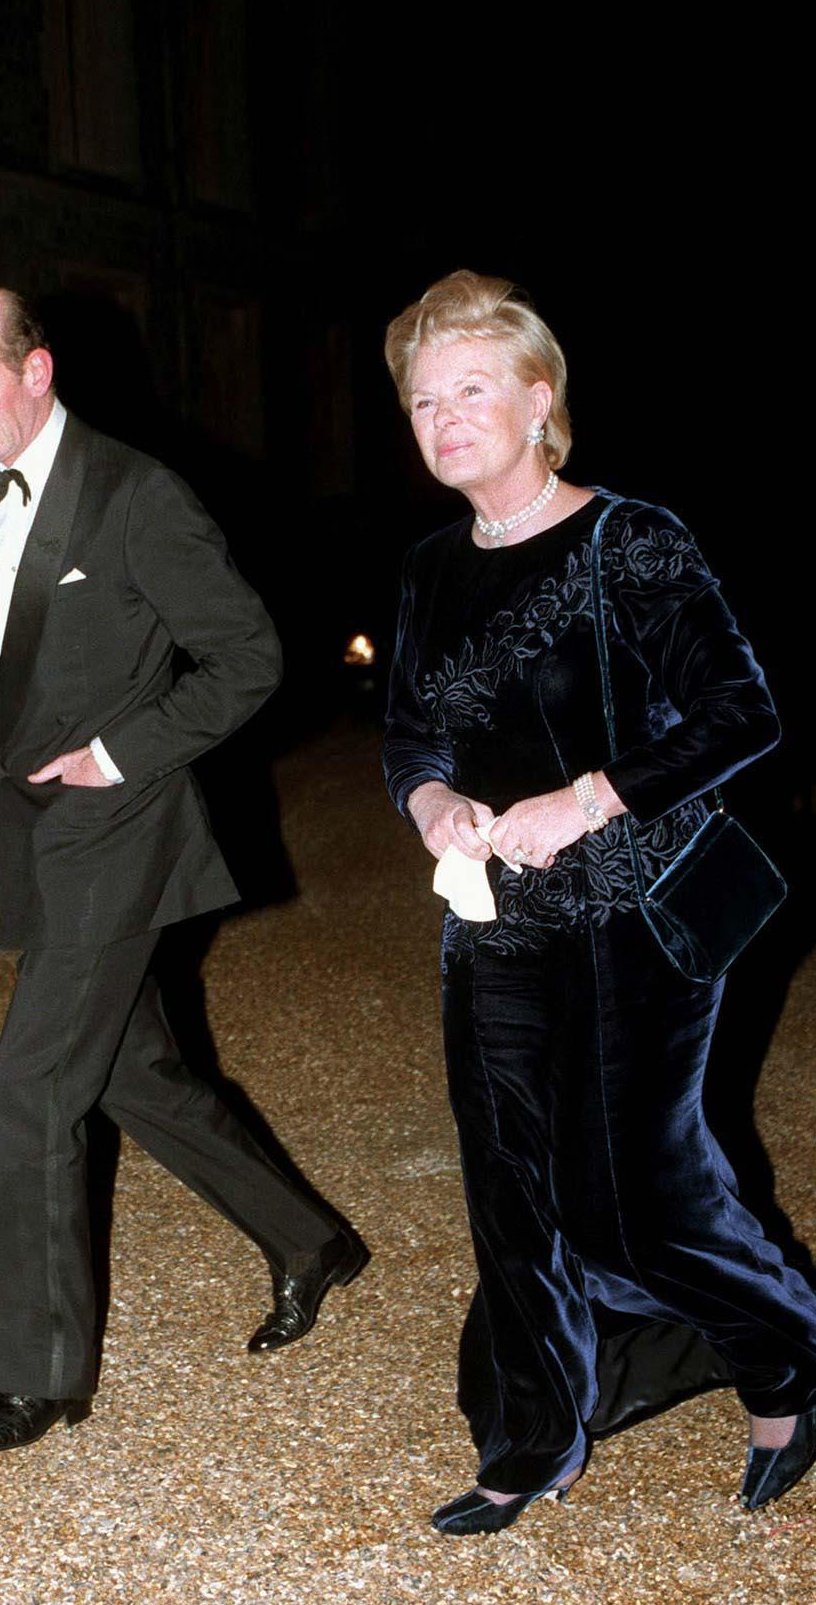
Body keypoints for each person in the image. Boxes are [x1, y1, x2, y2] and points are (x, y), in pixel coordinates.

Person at [382, 270, 816, 1534]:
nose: (447, 416)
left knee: (638, 1195)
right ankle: (531, 1443)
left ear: (538, 400)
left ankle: (790, 1354)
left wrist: (588, 798)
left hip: (636, 915)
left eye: (473, 390)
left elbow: (746, 713)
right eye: (424, 400)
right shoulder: (425, 569)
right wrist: (431, 808)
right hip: (492, 923)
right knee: (509, 1186)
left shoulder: (630, 538)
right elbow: (409, 737)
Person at [0, 284, 366, 1454]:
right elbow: (22, 653)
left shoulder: (136, 495)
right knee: (132, 1078)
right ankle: (311, 1240)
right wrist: (1, 736)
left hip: (123, 836)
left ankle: (41, 1375)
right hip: (39, 830)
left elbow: (250, 657)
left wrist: (119, 751)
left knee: (31, 1086)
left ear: (37, 371)